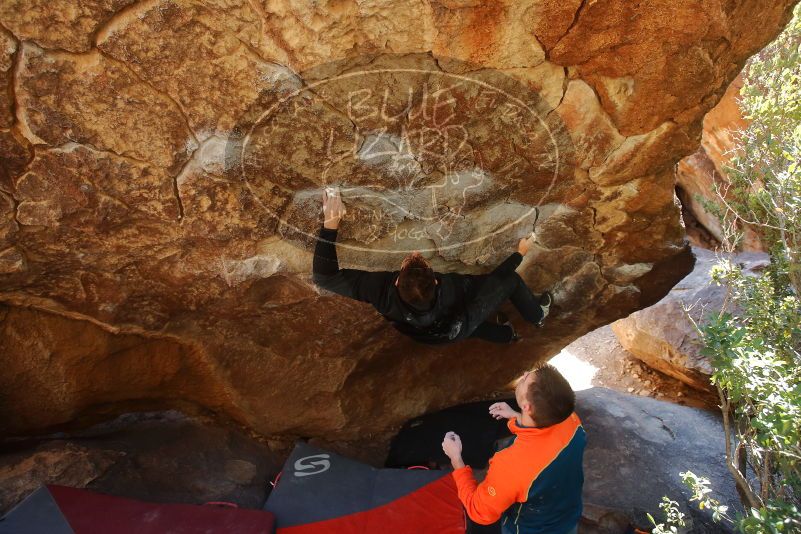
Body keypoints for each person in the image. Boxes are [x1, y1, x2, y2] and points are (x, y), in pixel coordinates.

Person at [312, 188, 552, 344]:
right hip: (454, 325)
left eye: (409, 262)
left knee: (469, 327)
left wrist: (330, 223)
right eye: (420, 261)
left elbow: (324, 277)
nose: (415, 252)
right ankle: (537, 316)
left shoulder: (379, 292)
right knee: (499, 293)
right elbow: (495, 281)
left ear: (396, 282)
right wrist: (519, 254)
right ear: (436, 280)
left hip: (423, 333)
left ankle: (507, 335)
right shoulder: (454, 290)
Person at [442, 364, 585, 534]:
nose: (524, 374)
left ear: (527, 407)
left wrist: (456, 458)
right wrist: (517, 417)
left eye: (525, 379)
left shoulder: (511, 466)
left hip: (530, 529)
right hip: (567, 516)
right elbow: (546, 437)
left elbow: (479, 511)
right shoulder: (571, 420)